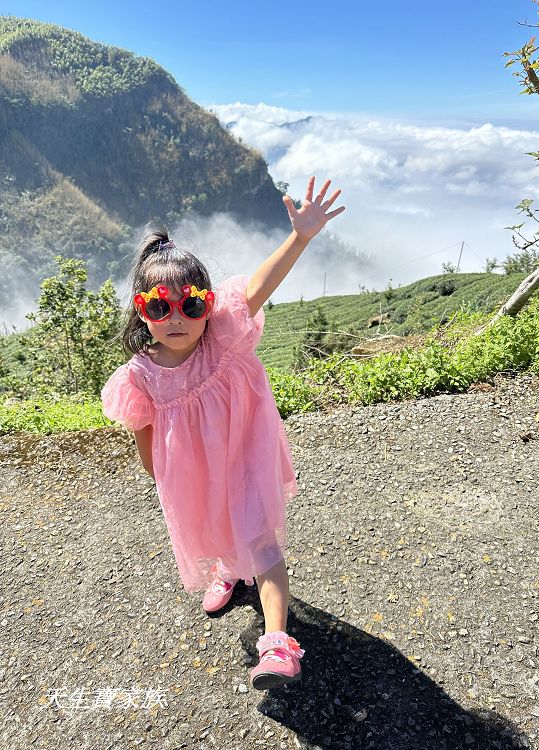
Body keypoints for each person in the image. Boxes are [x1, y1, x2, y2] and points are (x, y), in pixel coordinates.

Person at [100, 176, 345, 690]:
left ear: (208, 305)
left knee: (263, 544)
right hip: (196, 476)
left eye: (190, 305)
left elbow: (258, 286)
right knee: (211, 527)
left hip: (246, 458)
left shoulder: (224, 337)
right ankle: (226, 571)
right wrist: (179, 479)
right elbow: (149, 457)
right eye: (158, 306)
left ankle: (277, 645)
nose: (175, 318)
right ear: (141, 310)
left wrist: (300, 237)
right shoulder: (137, 379)